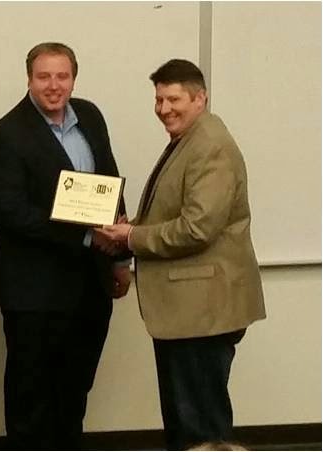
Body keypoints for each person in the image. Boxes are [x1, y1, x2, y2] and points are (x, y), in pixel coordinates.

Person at [96, 59, 266, 450]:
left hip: (200, 312)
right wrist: (130, 229)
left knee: (200, 427)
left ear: (200, 98)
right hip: (189, 312)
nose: (164, 109)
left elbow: (197, 228)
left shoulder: (210, 147)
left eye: (174, 99)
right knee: (186, 422)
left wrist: (132, 236)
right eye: (159, 99)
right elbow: (175, 213)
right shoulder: (191, 139)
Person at [0, 42, 131, 449]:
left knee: (74, 394)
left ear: (74, 79)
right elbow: (12, 214)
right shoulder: (6, 134)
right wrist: (87, 236)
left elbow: (110, 185)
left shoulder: (91, 117)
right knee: (31, 400)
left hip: (91, 287)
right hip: (35, 295)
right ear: (29, 79)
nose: (54, 85)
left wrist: (120, 257)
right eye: (44, 76)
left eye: (62, 76)